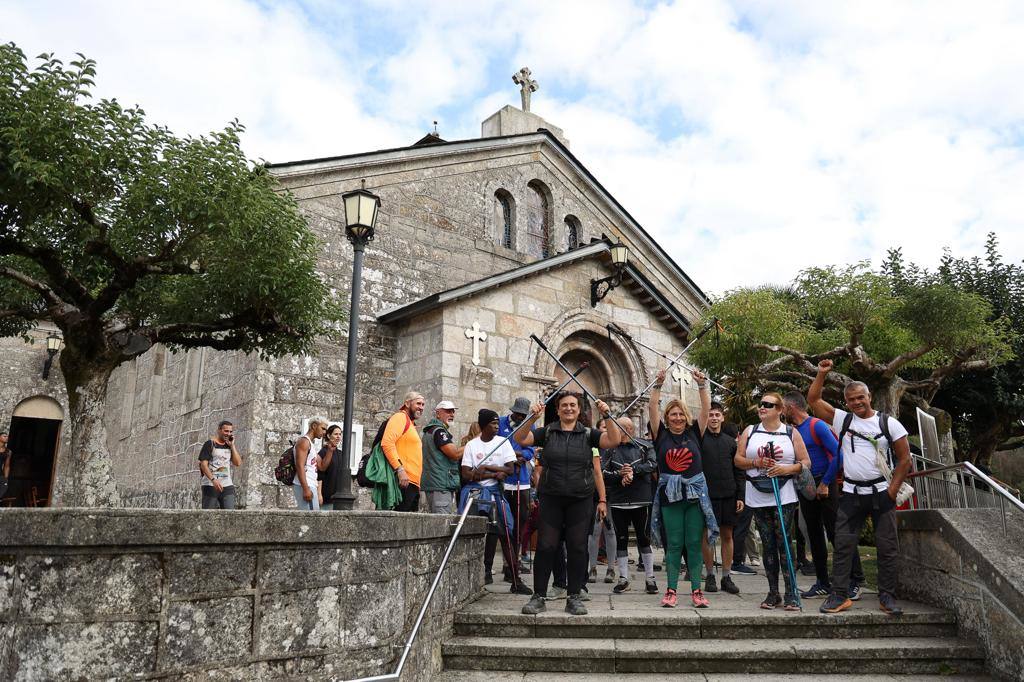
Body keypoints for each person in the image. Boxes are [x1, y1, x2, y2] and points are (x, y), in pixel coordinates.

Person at [809, 360, 912, 616]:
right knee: (843, 545)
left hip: (881, 492)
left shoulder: (888, 423)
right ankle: (840, 595)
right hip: (851, 494)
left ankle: (887, 596)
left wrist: (892, 490)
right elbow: (813, 400)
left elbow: (905, 459)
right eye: (851, 399)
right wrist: (821, 373)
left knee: (887, 546)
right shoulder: (843, 420)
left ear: (870, 396)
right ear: (847, 402)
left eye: (860, 397)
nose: (857, 402)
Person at [515, 391, 617, 616]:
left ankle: (574, 596)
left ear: (579, 410)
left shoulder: (590, 435)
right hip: (551, 498)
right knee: (546, 546)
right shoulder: (548, 432)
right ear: (558, 409)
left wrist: (607, 416)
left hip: (580, 499)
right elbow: (521, 439)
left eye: (573, 405)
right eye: (564, 405)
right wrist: (531, 418)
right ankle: (538, 596)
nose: (569, 408)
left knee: (578, 546)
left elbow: (614, 440)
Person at [782, 391, 866, 600]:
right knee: (814, 534)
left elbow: (839, 453)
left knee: (838, 533)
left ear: (791, 407)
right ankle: (822, 582)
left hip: (825, 482)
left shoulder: (816, 425)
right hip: (806, 484)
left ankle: (855, 580)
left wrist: (826, 483)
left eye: (783, 407)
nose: (781, 411)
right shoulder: (791, 431)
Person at [734, 393, 812, 610]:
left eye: (768, 405)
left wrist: (787, 468)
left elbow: (806, 461)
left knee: (784, 542)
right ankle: (772, 593)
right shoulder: (750, 431)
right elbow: (738, 460)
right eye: (761, 404)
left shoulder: (790, 432)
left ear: (780, 409)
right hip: (758, 493)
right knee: (767, 544)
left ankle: (791, 592)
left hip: (784, 492)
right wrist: (755, 461)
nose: (762, 407)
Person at [649, 367, 718, 609]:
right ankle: (670, 590)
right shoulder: (661, 436)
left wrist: (702, 385)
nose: (677, 418)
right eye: (673, 415)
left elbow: (707, 410)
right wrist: (657, 385)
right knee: (675, 544)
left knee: (693, 544)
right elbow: (652, 409)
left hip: (694, 496)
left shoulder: (694, 434)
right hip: (671, 497)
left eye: (680, 414)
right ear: (667, 418)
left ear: (686, 416)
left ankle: (697, 591)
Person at [459, 409, 532, 595]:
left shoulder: (503, 443)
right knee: (468, 533)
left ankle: (515, 579)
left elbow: (509, 469)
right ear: (483, 425)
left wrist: (484, 467)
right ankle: (472, 577)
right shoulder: (472, 446)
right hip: (475, 492)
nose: (497, 426)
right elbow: (466, 474)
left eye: (497, 423)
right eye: (493, 424)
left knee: (506, 531)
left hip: (495, 492)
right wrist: (492, 473)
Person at [601, 417, 658, 595]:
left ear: (628, 430)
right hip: (618, 501)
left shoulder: (644, 446)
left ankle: (650, 578)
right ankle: (624, 578)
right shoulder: (610, 449)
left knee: (644, 538)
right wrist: (620, 474)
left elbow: (653, 464)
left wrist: (634, 471)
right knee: (622, 539)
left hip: (641, 499)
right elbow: (602, 472)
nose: (613, 431)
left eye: (617, 428)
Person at [700, 402, 745, 595]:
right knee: (707, 537)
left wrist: (740, 496)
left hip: (729, 494)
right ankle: (710, 575)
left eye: (717, 415)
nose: (714, 418)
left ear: (722, 417)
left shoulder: (730, 442)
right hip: (707, 496)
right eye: (710, 415)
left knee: (727, 535)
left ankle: (726, 576)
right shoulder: (699, 440)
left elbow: (739, 470)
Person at [498, 397, 535, 579]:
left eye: (523, 415)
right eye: (517, 414)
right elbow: (497, 447)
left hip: (521, 480)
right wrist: (511, 455)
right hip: (503, 479)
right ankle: (507, 562)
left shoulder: (530, 425)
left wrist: (520, 456)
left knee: (521, 522)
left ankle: (516, 558)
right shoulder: (500, 423)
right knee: (505, 522)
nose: (520, 417)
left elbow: (530, 451)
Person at [381, 392, 426, 512]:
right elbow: (387, 443)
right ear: (407, 403)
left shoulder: (410, 423)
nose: (421, 407)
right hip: (403, 481)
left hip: (412, 483)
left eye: (423, 404)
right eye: (418, 403)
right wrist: (400, 470)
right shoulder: (400, 417)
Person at [421, 400, 464, 514]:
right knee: (442, 522)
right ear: (438, 413)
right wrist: (472, 443)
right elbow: (454, 454)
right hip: (440, 485)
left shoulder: (432, 430)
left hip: (436, 483)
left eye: (453, 412)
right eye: (448, 411)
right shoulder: (439, 431)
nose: (452, 414)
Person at [198, 420, 244, 509]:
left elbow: (237, 463)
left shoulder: (229, 445)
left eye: (230, 431)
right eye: (226, 431)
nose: (228, 434)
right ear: (219, 430)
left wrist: (232, 446)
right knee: (208, 516)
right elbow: (203, 465)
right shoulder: (210, 444)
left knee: (229, 515)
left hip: (227, 485)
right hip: (210, 484)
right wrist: (213, 480)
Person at [293, 417, 327, 510]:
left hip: (311, 484)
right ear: (314, 426)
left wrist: (330, 450)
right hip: (305, 485)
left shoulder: (311, 444)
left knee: (313, 520)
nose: (324, 432)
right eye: (323, 428)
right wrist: (306, 489)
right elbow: (300, 466)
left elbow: (322, 467)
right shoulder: (304, 442)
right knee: (311, 520)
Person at [317, 424, 342, 509]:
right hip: (326, 497)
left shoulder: (341, 454)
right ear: (328, 435)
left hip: (338, 497)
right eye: (336, 434)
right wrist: (319, 494)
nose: (338, 436)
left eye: (340, 434)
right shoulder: (323, 452)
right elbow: (319, 474)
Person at [0, 432, 11, 500]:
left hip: (0, 475)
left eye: (7, 436)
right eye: (4, 436)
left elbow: (7, 466)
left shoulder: (8, 452)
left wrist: (5, 479)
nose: (6, 437)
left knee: (3, 489)